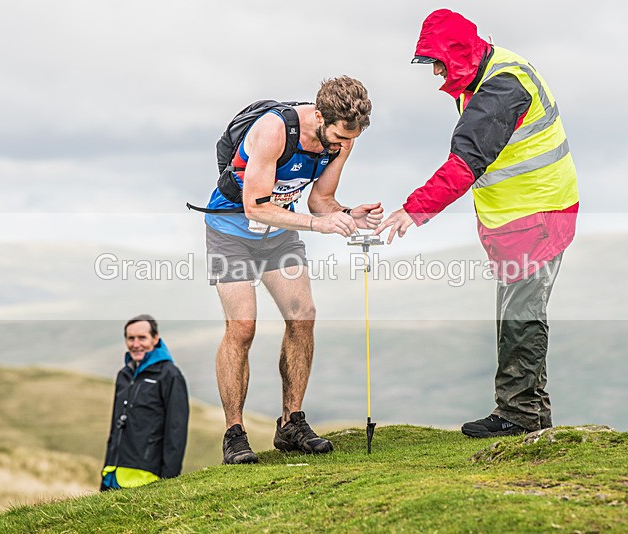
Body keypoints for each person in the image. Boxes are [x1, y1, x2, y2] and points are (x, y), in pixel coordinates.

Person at [376, 9, 579, 438]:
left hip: (537, 217)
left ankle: (518, 416)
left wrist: (413, 210)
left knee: (521, 316)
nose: (436, 74)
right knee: (517, 314)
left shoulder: (500, 88)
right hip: (519, 220)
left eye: (438, 63)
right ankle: (535, 419)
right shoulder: (488, 74)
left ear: (458, 54)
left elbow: (465, 163)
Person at [203, 76, 382, 463]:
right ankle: (234, 434)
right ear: (319, 116)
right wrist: (318, 225)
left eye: (350, 138)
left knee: (303, 317)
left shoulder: (344, 139)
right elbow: (255, 206)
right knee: (243, 326)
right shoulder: (274, 130)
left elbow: (321, 202)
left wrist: (349, 214)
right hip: (230, 229)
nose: (342, 145)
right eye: (337, 136)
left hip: (278, 234)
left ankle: (291, 423)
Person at [101, 315, 190, 490]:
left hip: (147, 477)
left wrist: (169, 480)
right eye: (130, 338)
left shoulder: (170, 375)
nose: (135, 344)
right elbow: (115, 428)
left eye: (142, 338)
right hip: (112, 476)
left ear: (155, 339)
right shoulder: (123, 375)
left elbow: (176, 430)